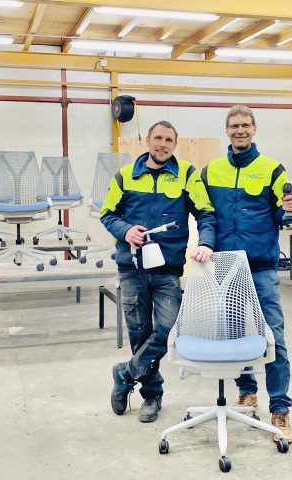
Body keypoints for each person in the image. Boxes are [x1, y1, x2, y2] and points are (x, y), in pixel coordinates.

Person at [100, 120, 216, 423]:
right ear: (148, 141)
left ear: (174, 145)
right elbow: (108, 214)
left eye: (168, 140)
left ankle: (125, 373)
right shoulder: (125, 176)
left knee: (168, 329)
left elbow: (206, 213)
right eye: (158, 138)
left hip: (167, 270)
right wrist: (126, 231)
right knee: (140, 334)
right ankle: (152, 395)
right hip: (132, 268)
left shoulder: (187, 175)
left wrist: (205, 243)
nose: (162, 144)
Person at [200, 105, 292, 443]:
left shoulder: (272, 169)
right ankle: (247, 391)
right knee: (234, 334)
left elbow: (283, 213)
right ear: (226, 130)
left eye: (245, 125)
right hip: (226, 268)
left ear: (254, 129)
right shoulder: (211, 171)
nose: (239, 130)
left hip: (261, 268)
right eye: (234, 125)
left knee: (274, 338)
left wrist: (288, 211)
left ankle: (280, 409)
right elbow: (204, 213)